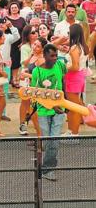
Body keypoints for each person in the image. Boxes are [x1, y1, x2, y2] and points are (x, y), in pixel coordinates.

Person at [31, 43, 67, 180]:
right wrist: (51, 106)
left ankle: (47, 169)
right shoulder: (37, 72)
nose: (55, 58)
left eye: (56, 55)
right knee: (48, 141)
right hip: (43, 112)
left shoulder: (60, 65)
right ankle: (46, 168)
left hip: (59, 110)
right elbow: (35, 94)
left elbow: (63, 80)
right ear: (44, 55)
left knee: (54, 141)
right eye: (52, 55)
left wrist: (65, 102)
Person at [63, 23, 88, 138]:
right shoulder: (81, 46)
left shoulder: (74, 48)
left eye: (69, 32)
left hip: (74, 77)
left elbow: (75, 66)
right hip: (78, 77)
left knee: (75, 107)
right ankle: (70, 131)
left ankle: (74, 133)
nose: (68, 34)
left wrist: (64, 66)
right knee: (72, 106)